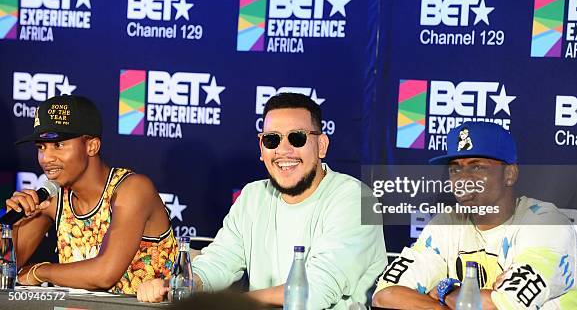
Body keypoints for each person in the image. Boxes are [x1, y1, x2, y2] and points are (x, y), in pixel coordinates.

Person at [137, 92, 388, 309]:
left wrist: (238, 305)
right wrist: (181, 285)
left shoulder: (356, 198)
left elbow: (313, 291)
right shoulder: (253, 196)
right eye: (272, 139)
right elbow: (219, 262)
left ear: (321, 146)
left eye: (297, 138)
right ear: (261, 147)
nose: (283, 150)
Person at [372, 122, 577, 309]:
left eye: (477, 167)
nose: (463, 178)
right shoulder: (446, 224)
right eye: (455, 169)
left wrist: (445, 291)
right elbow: (385, 296)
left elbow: (495, 306)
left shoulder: (546, 224)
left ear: (510, 174)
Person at [7, 95, 177, 294]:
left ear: (91, 146)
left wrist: (40, 271)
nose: (47, 158)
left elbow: (105, 274)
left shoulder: (132, 189)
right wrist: (12, 228)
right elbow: (6, 268)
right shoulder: (53, 199)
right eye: (41, 147)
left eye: (58, 145)